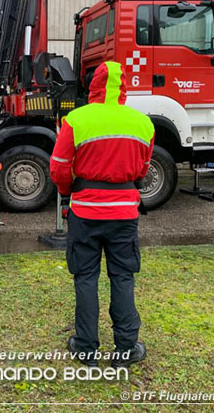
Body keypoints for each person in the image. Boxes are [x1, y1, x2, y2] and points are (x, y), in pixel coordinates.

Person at [50, 61, 155, 368]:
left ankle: (85, 348)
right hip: (124, 212)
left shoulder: (77, 119)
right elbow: (143, 169)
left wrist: (71, 192)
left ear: (94, 86)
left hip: (85, 212)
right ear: (124, 87)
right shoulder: (143, 124)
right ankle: (125, 349)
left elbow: (58, 167)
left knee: (85, 278)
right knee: (122, 277)